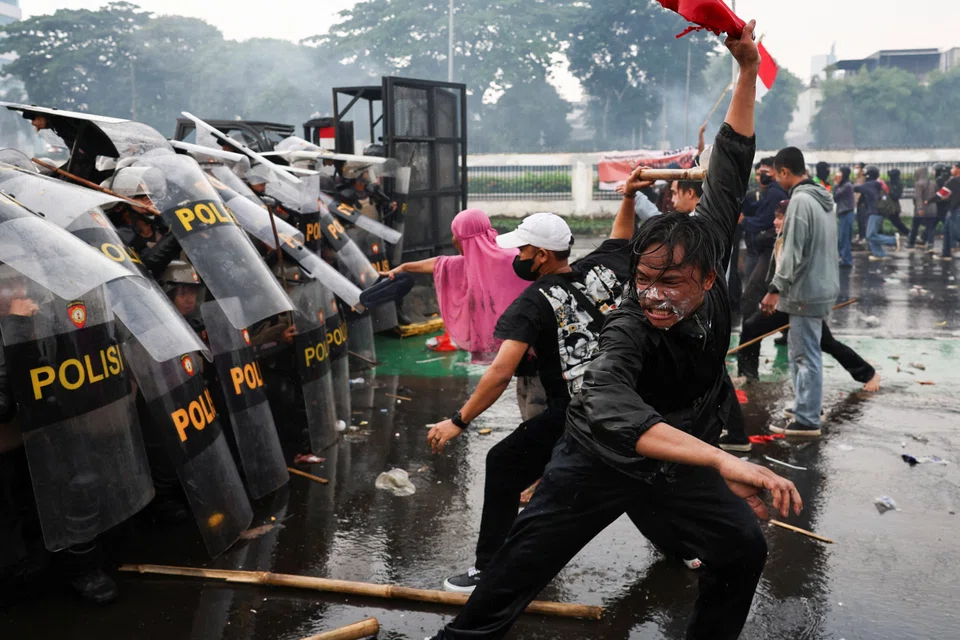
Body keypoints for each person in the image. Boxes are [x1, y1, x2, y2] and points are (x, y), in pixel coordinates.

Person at [427, 21, 803, 640]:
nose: (653, 294)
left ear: (708, 279)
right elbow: (610, 405)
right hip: (597, 458)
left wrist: (743, 70)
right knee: (505, 586)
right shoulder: (630, 323)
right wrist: (728, 463)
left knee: (741, 548)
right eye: (644, 277)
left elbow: (732, 160)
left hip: (676, 459)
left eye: (671, 283)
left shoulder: (706, 241)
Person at [427, 169, 647, 593]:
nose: (518, 257)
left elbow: (499, 372)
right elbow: (621, 239)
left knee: (504, 463)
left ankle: (489, 568)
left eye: (523, 249)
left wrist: (459, 420)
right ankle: (688, 548)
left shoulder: (533, 300)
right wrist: (629, 199)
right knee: (638, 479)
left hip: (578, 414)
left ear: (542, 256)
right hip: (628, 397)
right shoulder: (599, 270)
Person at [737, 200, 880, 392]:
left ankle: (869, 374)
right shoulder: (780, 240)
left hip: (803, 304)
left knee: (825, 343)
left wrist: (778, 294)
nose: (775, 222)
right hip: (786, 302)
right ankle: (748, 376)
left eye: (780, 217)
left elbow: (800, 274)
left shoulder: (801, 243)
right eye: (775, 217)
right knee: (751, 327)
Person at [761, 147, 840, 438]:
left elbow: (792, 252)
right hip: (820, 286)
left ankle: (807, 418)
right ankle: (806, 406)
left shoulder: (800, 201)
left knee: (806, 355)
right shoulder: (823, 198)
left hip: (806, 290)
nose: (773, 181)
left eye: (775, 175)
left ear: (784, 171)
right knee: (802, 352)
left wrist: (774, 289)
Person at [382, 209, 528, 363]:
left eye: (457, 236)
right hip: (519, 342)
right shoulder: (482, 261)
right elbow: (440, 264)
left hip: (526, 340)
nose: (453, 240)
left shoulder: (515, 259)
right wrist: (404, 267)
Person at [740, 156, 786, 312]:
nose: (761, 177)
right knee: (758, 293)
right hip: (759, 247)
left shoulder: (775, 193)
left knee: (751, 295)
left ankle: (750, 331)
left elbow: (764, 220)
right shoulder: (765, 192)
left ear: (775, 171)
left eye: (765, 172)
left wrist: (744, 221)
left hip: (767, 248)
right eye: (759, 173)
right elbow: (756, 209)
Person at [856, 165, 899, 260]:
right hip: (875, 212)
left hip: (874, 212)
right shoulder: (876, 184)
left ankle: (893, 240)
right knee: (871, 235)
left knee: (871, 235)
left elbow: (856, 188)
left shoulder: (870, 184)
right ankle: (879, 254)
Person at [926, 162, 960, 261]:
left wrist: (928, 201)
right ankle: (946, 254)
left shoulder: (955, 181)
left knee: (956, 233)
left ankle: (946, 253)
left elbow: (941, 194)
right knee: (946, 230)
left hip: (957, 210)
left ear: (959, 169)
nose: (951, 170)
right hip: (953, 209)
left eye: (953, 168)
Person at [908, 166, 938, 249]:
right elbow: (936, 195)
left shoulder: (919, 184)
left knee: (915, 227)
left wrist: (920, 208)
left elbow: (918, 197)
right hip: (932, 209)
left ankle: (911, 243)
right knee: (930, 228)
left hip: (921, 210)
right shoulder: (933, 183)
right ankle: (931, 244)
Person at [833, 167, 856, 267]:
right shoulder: (845, 185)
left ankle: (847, 260)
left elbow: (836, 196)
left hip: (847, 214)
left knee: (845, 237)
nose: (838, 175)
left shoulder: (847, 186)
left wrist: (835, 185)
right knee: (842, 237)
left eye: (840, 173)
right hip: (843, 214)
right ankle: (844, 258)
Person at [886, 169, 910, 237]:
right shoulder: (888, 183)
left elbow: (896, 196)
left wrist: (889, 192)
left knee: (896, 222)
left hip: (893, 206)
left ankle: (908, 233)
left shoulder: (899, 184)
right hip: (885, 205)